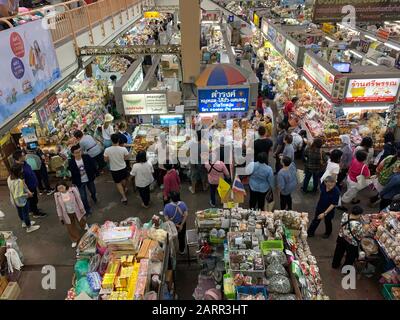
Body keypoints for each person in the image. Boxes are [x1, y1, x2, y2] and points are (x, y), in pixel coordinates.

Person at [13, 150, 47, 218]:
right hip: (29, 187)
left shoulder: (24, 163)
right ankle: (36, 213)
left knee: (34, 200)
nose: (25, 156)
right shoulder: (18, 168)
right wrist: (27, 191)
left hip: (33, 185)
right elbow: (22, 181)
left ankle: (32, 210)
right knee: (32, 200)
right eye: (23, 155)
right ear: (19, 158)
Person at [7, 164, 40, 233]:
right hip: (21, 201)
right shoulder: (18, 181)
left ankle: (23, 222)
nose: (22, 170)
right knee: (25, 213)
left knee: (19, 211)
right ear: (18, 172)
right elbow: (19, 195)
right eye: (21, 169)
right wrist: (28, 195)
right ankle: (29, 227)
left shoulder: (9, 178)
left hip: (14, 200)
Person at [54, 182, 88, 248]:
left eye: (62, 187)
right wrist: (60, 216)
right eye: (59, 188)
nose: (61, 189)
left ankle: (84, 225)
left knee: (80, 220)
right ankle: (75, 239)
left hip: (76, 210)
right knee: (70, 226)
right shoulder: (57, 195)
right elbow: (58, 206)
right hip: (66, 213)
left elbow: (78, 199)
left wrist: (81, 208)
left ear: (65, 186)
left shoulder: (72, 190)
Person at [68, 145, 97, 216]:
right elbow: (72, 173)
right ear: (72, 154)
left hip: (89, 178)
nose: (79, 153)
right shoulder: (71, 162)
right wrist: (73, 182)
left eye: (79, 151)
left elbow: (93, 165)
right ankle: (87, 209)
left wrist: (96, 173)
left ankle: (93, 196)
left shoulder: (86, 157)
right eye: (76, 152)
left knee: (93, 190)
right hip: (79, 182)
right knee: (83, 197)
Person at [104, 134, 130, 205]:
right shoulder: (123, 149)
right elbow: (127, 157)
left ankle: (124, 197)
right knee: (124, 179)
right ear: (118, 140)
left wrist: (111, 158)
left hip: (114, 169)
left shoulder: (107, 150)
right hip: (123, 167)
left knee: (118, 183)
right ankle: (125, 188)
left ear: (111, 141)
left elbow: (105, 160)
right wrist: (121, 159)